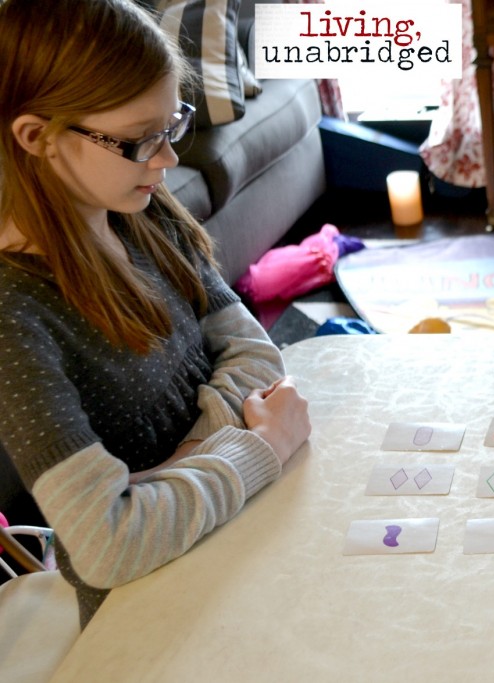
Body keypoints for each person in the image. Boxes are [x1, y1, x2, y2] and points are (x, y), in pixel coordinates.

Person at [0, 0, 311, 626]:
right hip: (149, 609)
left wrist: (188, 458)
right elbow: (108, 544)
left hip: (230, 529)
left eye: (172, 127)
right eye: (143, 138)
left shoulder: (140, 206)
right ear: (37, 137)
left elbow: (253, 352)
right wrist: (262, 445)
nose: (166, 159)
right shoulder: (15, 316)